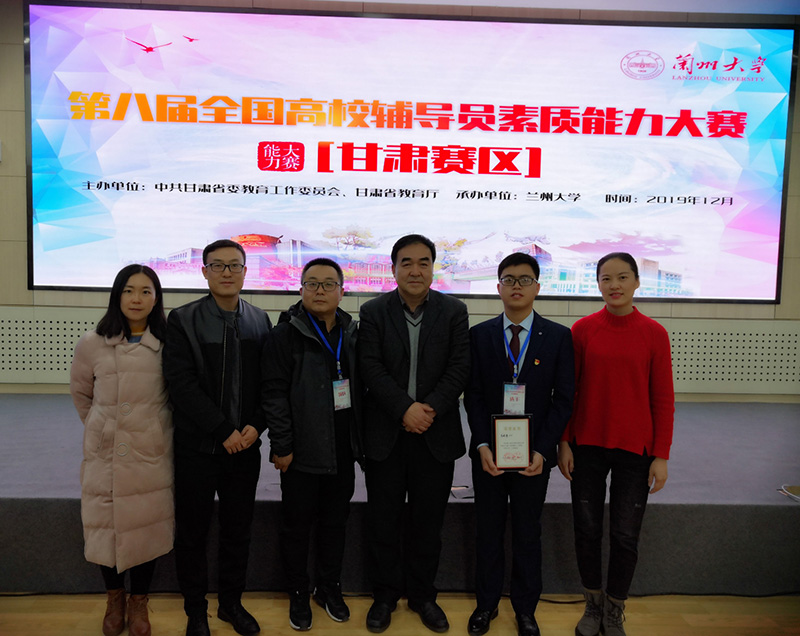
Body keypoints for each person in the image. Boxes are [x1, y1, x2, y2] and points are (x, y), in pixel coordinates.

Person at [557, 252, 674, 636]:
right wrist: (564, 441)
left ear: (637, 282)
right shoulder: (583, 330)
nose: (614, 285)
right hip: (586, 446)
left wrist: (661, 455)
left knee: (625, 536)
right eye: (606, 278)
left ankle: (614, 609)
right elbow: (570, 392)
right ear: (597, 284)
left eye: (623, 277)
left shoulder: (654, 333)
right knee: (587, 530)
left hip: (635, 452)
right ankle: (592, 604)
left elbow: (663, 399)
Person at [358, 234, 470, 634]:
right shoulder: (373, 311)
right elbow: (370, 366)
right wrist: (404, 408)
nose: (416, 270)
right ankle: (385, 595)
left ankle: (423, 596)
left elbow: (460, 367)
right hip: (386, 434)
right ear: (393, 269)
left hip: (434, 434)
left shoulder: (454, 311)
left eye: (424, 262)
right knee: (383, 521)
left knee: (428, 523)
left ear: (433, 268)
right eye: (407, 262)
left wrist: (429, 408)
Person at [163, 239, 272, 636]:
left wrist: (256, 425)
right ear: (204, 271)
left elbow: (270, 383)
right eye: (218, 265)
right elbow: (181, 384)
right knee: (192, 532)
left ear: (245, 271)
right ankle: (196, 611)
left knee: (237, 531)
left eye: (234, 265)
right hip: (198, 447)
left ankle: (231, 604)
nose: (227, 272)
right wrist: (222, 430)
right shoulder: (183, 319)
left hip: (245, 449)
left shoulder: (260, 320)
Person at [464, 253, 574, 636]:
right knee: (488, 530)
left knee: (528, 531)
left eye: (525, 279)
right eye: (509, 279)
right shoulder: (479, 335)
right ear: (498, 287)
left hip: (533, 457)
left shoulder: (558, 336)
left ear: (537, 287)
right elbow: (473, 396)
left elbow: (563, 400)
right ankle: (486, 605)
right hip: (490, 455)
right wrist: (481, 444)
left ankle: (526, 610)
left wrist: (543, 450)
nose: (516, 286)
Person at [70, 264, 173, 636]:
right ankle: (114, 597)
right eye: (129, 290)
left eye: (146, 291)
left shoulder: (168, 344)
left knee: (146, 525)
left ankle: (139, 600)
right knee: (105, 525)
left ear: (156, 298)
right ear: (117, 295)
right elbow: (81, 394)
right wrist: (103, 429)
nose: (136, 299)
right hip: (106, 452)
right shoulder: (92, 343)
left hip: (150, 451)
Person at [262, 257, 362, 631]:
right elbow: (274, 394)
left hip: (343, 450)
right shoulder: (285, 335)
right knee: (297, 526)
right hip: (301, 451)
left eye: (328, 284)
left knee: (335, 524)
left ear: (341, 291)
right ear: (301, 289)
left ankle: (328, 587)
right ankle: (298, 592)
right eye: (312, 284)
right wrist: (282, 445)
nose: (320, 291)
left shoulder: (353, 333)